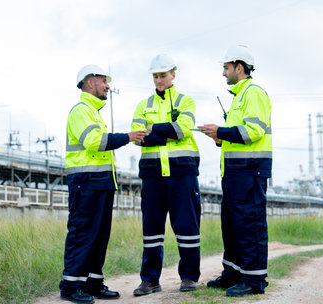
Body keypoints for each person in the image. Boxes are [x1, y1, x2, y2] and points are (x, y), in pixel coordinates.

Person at [59, 64, 148, 304]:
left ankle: (93, 283)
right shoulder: (81, 110)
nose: (108, 86)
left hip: (100, 182)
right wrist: (128, 137)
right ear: (90, 82)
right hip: (85, 182)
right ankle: (70, 285)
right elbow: (95, 142)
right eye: (104, 81)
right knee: (83, 233)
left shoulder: (93, 112)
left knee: (99, 235)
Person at [198, 45, 272, 297]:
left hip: (250, 172)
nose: (223, 73)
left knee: (249, 225)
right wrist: (219, 138)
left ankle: (253, 280)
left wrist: (220, 131)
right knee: (231, 226)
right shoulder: (239, 97)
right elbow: (237, 136)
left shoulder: (254, 94)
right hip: (234, 173)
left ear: (239, 67)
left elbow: (253, 132)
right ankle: (232, 274)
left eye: (226, 68)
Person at [131, 54, 201, 296]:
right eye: (155, 76)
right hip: (152, 174)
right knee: (151, 229)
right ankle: (149, 280)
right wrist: (166, 132)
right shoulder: (143, 104)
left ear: (173, 74)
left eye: (163, 75)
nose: (159, 80)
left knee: (187, 227)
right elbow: (138, 137)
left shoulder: (186, 101)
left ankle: (190, 277)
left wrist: (153, 129)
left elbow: (183, 130)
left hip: (183, 171)